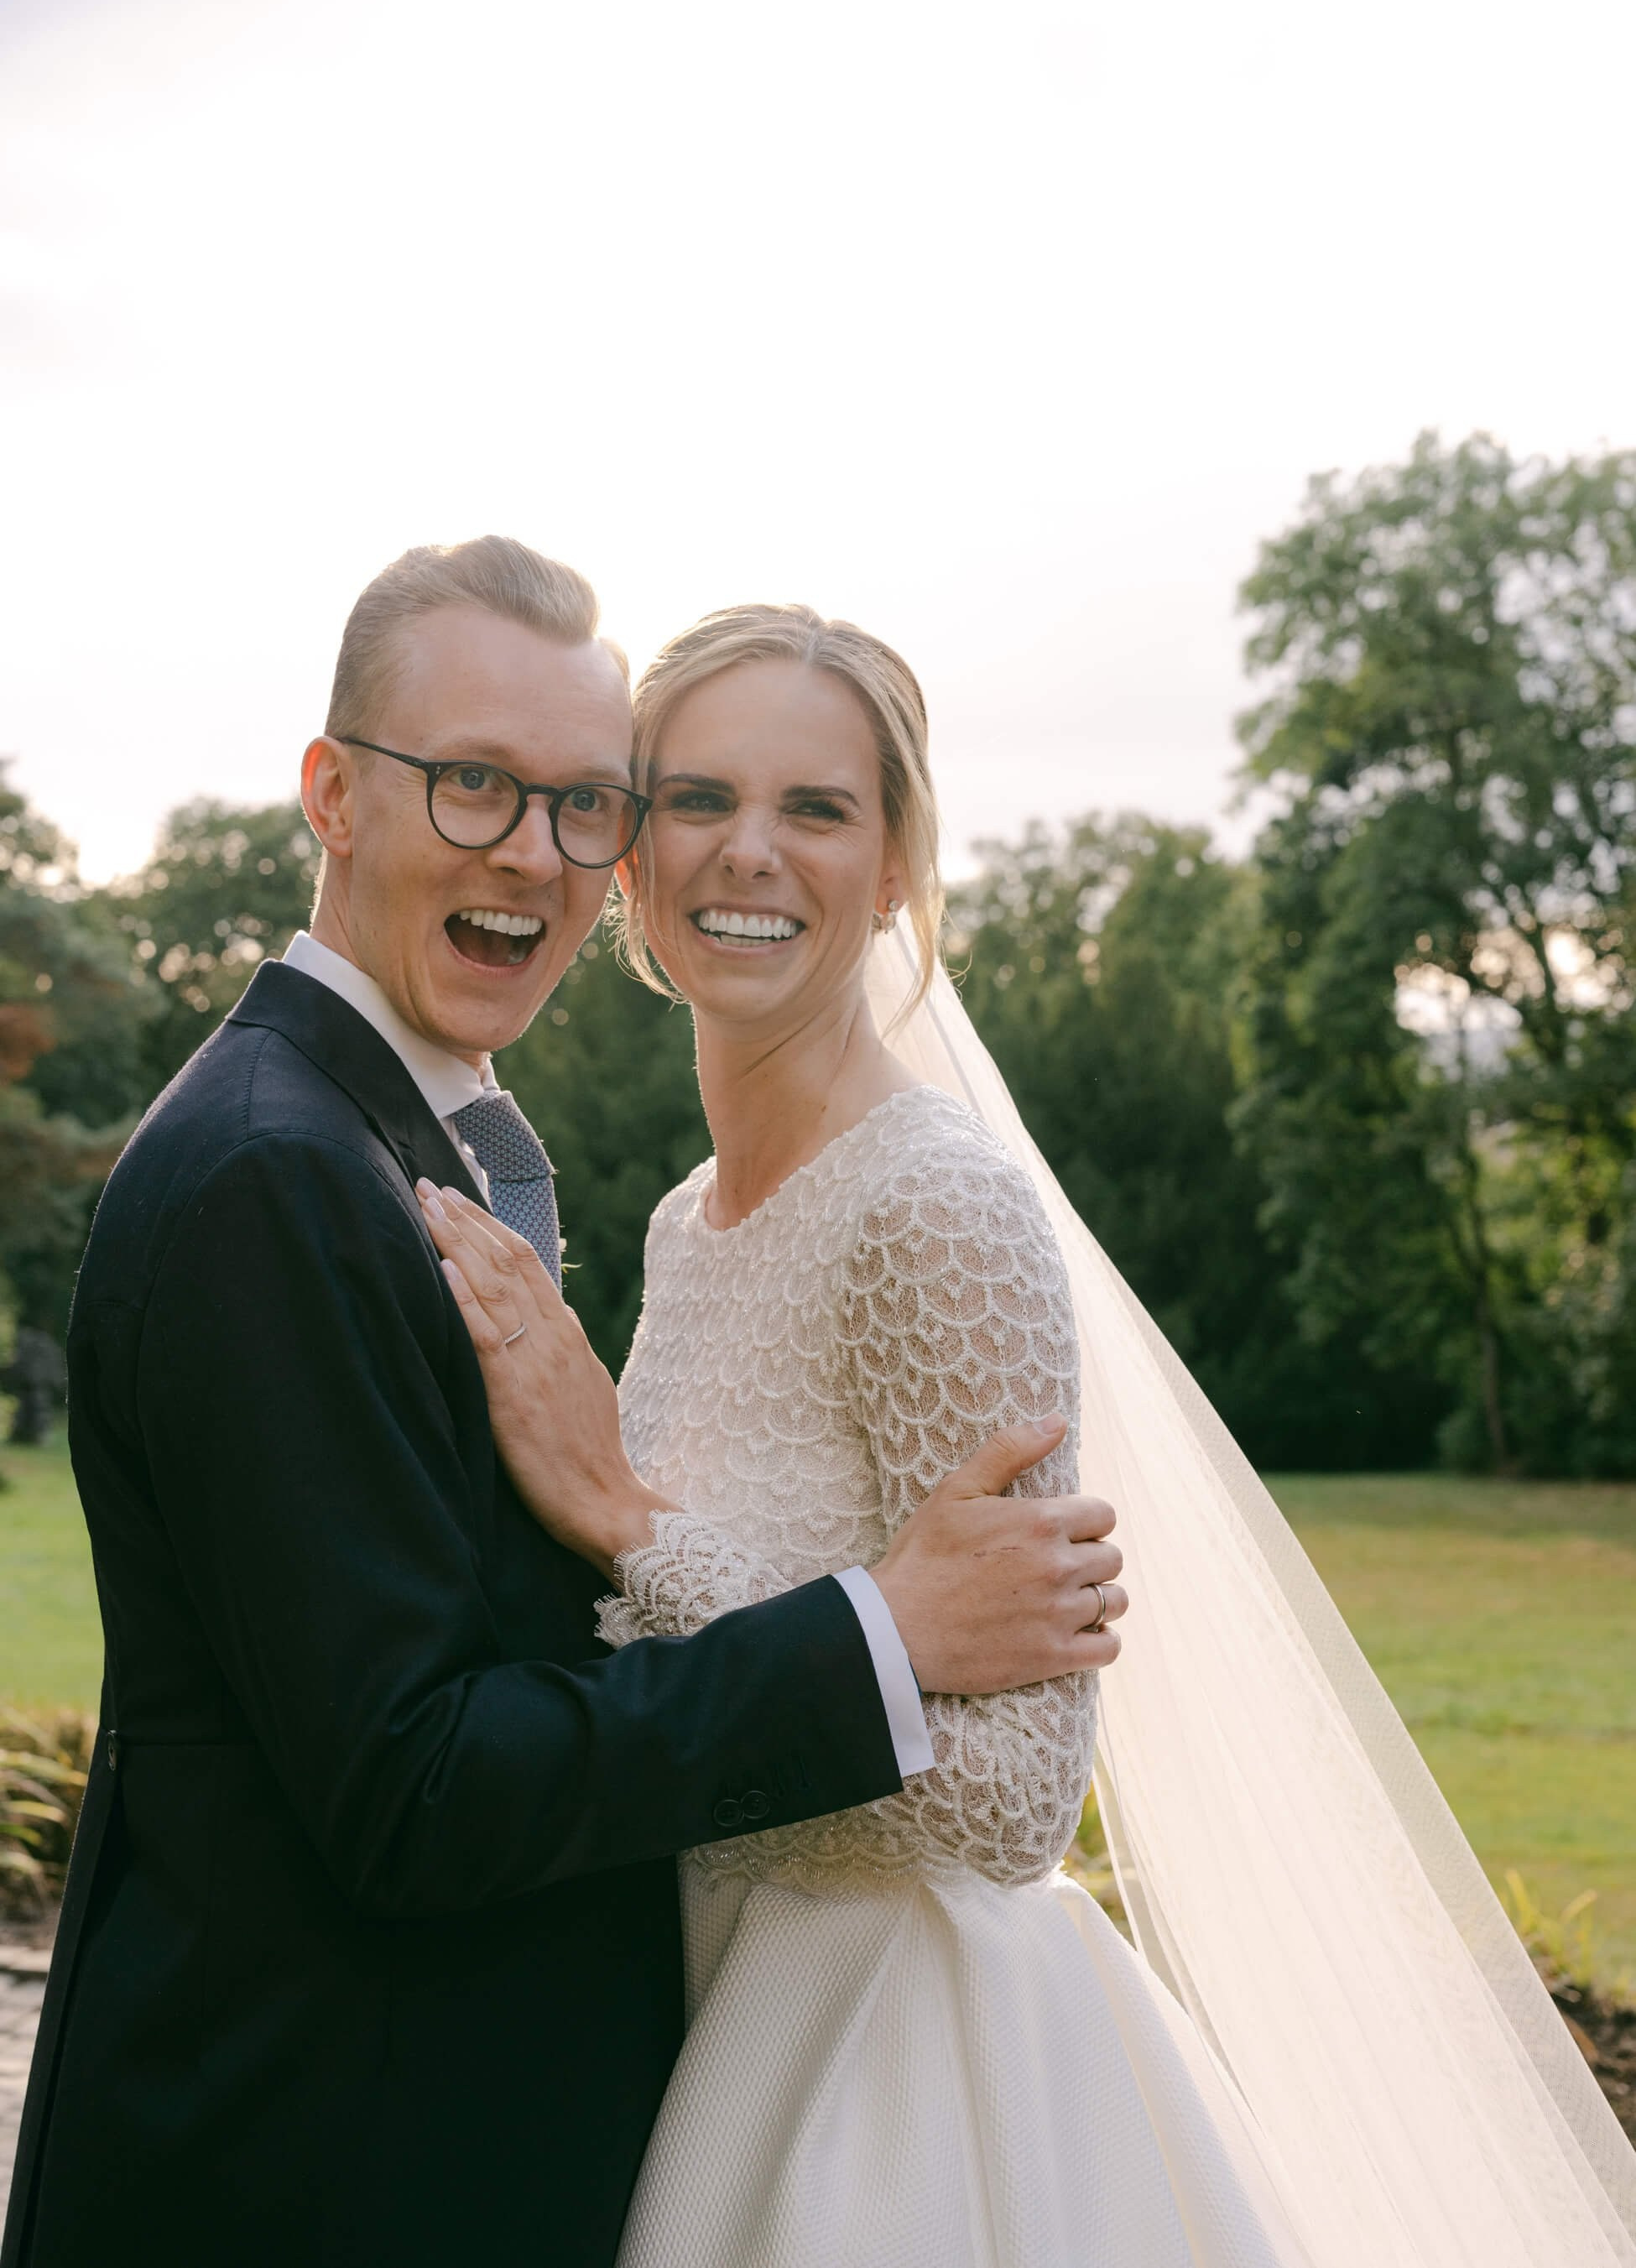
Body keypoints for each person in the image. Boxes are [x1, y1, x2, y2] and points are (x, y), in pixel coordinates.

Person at [432, 604, 1636, 2268]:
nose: (750, 852)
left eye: (820, 808)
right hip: (718, 2002)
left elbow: (1008, 1805)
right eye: (698, 798)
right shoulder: (685, 1224)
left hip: (903, 2074)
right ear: (631, 861)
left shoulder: (938, 1209)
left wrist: (635, 1528)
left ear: (904, 866)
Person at [0, 541, 1125, 2268]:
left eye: (581, 802)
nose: (531, 847)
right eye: (472, 785)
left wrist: (647, 1532)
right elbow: (415, 1784)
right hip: (314, 2175)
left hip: (847, 2104)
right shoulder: (273, 1177)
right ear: (335, 797)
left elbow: (1003, 1787)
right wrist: (870, 1631)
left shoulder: (416, 1150)